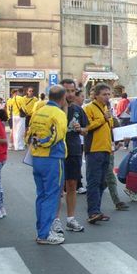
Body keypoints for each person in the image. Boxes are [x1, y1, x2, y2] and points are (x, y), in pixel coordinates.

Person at [25, 86, 68, 245]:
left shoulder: (38, 111)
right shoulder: (59, 114)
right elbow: (58, 136)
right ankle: (44, 234)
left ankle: (41, 230)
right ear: (63, 98)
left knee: (41, 195)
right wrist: (44, 143)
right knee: (52, 196)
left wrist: (37, 144)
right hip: (52, 158)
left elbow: (28, 135)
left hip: (37, 158)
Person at [51, 79, 88, 235]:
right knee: (57, 187)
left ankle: (71, 219)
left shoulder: (78, 110)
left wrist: (81, 129)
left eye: (73, 91)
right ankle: (55, 220)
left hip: (73, 150)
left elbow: (86, 130)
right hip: (56, 151)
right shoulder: (53, 110)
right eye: (67, 91)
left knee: (72, 184)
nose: (70, 94)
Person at [83, 83, 114, 225]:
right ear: (96, 95)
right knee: (94, 181)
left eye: (108, 94)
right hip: (94, 149)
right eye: (104, 94)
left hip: (106, 149)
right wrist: (103, 119)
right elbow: (86, 128)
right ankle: (93, 212)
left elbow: (109, 128)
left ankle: (97, 210)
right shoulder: (89, 108)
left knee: (102, 182)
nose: (107, 97)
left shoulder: (106, 108)